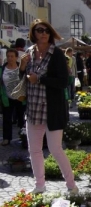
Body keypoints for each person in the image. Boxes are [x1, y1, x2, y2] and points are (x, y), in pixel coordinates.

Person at [18, 19, 79, 195]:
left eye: (46, 30)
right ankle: (39, 185)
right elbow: (22, 79)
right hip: (33, 108)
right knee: (34, 150)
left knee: (55, 149)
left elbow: (63, 82)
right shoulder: (28, 53)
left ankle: (71, 185)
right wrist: (22, 68)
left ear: (50, 34)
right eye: (39, 30)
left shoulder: (57, 54)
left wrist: (40, 79)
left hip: (52, 109)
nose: (43, 33)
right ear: (34, 33)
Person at [0, 49, 25, 145]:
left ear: (16, 57)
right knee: (7, 118)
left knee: (22, 118)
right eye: (8, 56)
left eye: (12, 56)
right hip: (7, 97)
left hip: (20, 98)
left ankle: (24, 137)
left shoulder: (21, 67)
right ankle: (6, 138)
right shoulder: (2, 69)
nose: (10, 58)